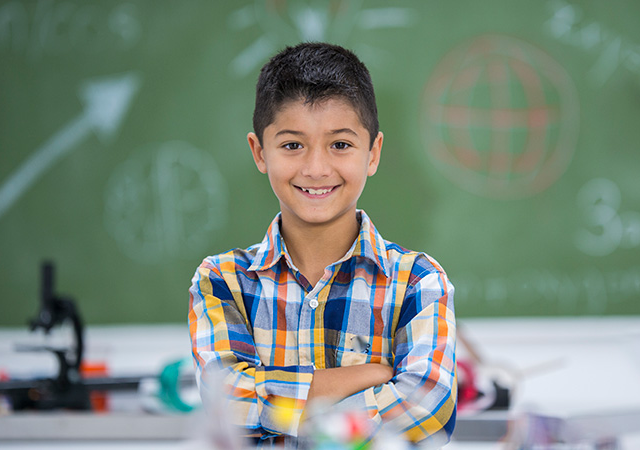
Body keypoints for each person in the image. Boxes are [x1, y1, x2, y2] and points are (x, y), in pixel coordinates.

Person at [188, 42, 456, 448]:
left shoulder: (418, 281)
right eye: (292, 145)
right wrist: (370, 375)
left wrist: (277, 404)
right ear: (260, 152)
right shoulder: (223, 280)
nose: (316, 168)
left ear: (373, 153)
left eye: (341, 144)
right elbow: (224, 405)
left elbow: (427, 411)